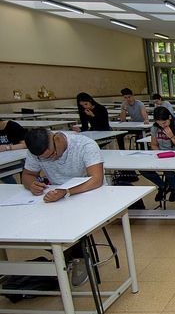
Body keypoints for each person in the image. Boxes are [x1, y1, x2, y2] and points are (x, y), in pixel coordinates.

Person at [22, 128, 105, 286]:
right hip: (57, 196)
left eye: (52, 154)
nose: (51, 159)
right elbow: (27, 175)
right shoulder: (37, 151)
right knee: (31, 225)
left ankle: (77, 256)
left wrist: (66, 192)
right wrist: (31, 185)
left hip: (88, 193)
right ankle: (66, 254)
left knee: (71, 219)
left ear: (57, 139)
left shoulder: (85, 145)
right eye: (44, 159)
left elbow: (96, 180)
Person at [140, 107, 175, 202]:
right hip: (162, 156)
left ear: (170, 117)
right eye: (159, 124)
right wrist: (159, 155)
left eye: (164, 123)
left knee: (169, 169)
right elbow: (154, 145)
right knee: (143, 169)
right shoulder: (155, 128)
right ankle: (163, 186)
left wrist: (171, 136)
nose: (162, 126)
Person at [0, 119, 27, 183]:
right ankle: (15, 188)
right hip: (3, 160)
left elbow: (25, 145)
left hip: (18, 160)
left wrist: (8, 147)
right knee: (3, 172)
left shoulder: (13, 126)